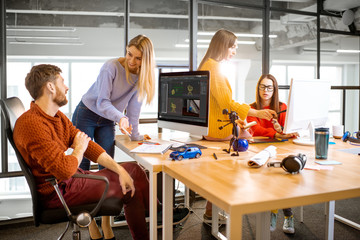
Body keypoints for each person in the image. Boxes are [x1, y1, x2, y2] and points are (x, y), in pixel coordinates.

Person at [13, 64, 151, 240]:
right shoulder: (32, 124)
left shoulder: (57, 117)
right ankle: (156, 213)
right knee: (131, 184)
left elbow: (89, 146)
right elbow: (64, 170)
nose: (67, 87)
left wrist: (119, 169)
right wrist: (79, 148)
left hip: (71, 181)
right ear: (50, 87)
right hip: (59, 192)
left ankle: (155, 211)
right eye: (62, 82)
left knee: (131, 170)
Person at [197, 29, 277, 224]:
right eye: (233, 47)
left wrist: (239, 120)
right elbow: (227, 103)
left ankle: (210, 213)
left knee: (219, 174)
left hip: (213, 128)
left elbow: (218, 105)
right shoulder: (214, 68)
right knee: (246, 156)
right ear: (223, 46)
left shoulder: (208, 65)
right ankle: (251, 204)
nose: (234, 51)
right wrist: (256, 113)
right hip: (218, 131)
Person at [72, 34, 155, 172]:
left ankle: (104, 193)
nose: (132, 61)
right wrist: (121, 117)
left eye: (138, 58)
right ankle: (80, 193)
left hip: (108, 119)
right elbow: (102, 102)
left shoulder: (142, 77)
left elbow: (134, 109)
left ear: (146, 60)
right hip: (86, 113)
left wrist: (135, 135)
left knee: (108, 164)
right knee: (83, 163)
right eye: (129, 54)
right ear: (126, 50)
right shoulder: (110, 67)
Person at [247, 73, 299, 234]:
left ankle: (285, 215)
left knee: (283, 178)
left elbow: (289, 129)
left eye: (269, 87)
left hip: (281, 149)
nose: (266, 90)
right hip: (260, 150)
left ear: (274, 89)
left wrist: (283, 131)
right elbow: (254, 129)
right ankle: (274, 211)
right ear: (258, 88)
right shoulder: (252, 108)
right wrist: (274, 133)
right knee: (267, 179)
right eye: (262, 86)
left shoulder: (282, 107)